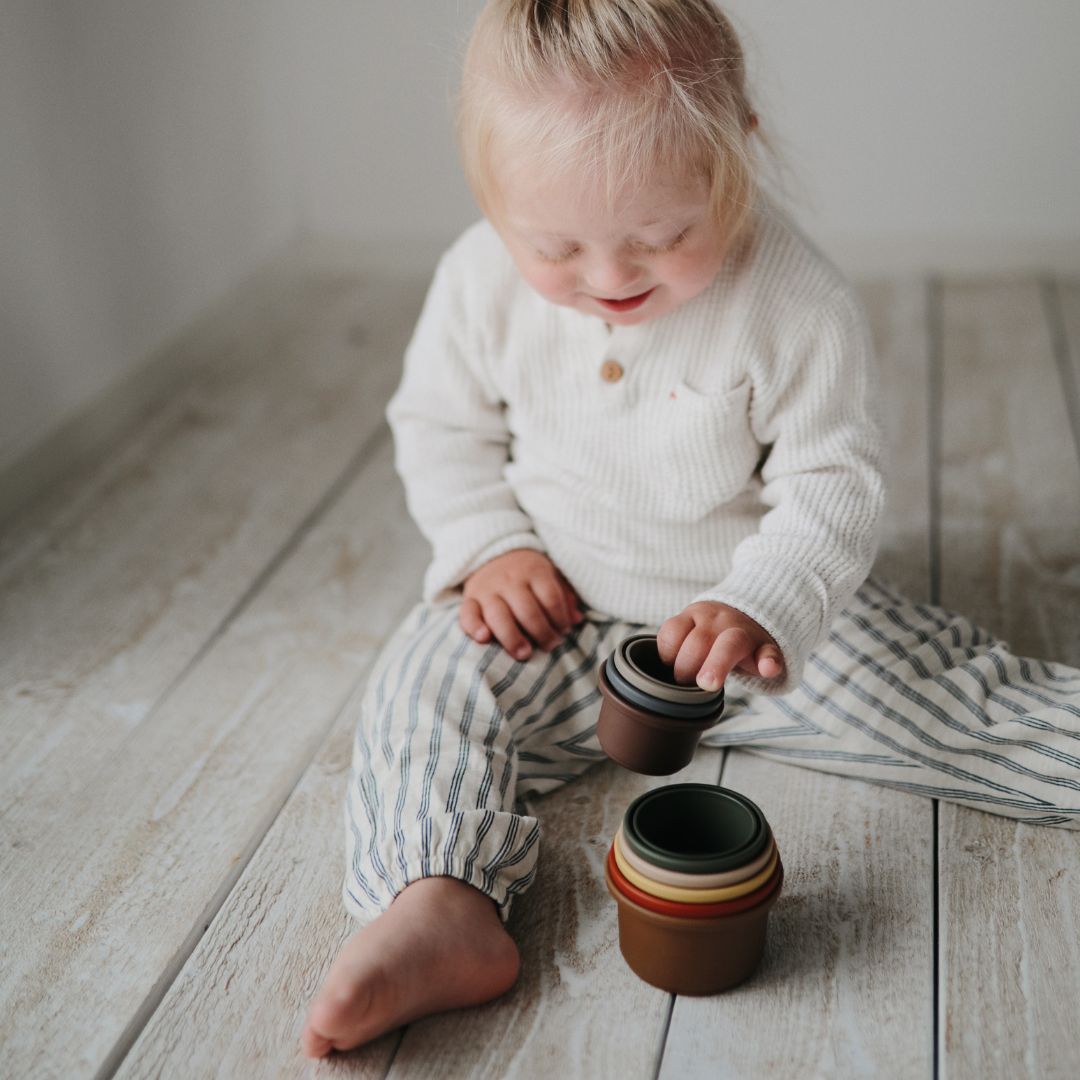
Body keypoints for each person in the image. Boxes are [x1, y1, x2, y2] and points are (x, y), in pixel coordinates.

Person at [301, 0, 1079, 1057]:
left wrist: (768, 600)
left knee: (938, 703)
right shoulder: (479, 280)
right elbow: (440, 429)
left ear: (737, 155)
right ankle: (436, 902)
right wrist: (493, 547)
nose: (613, 278)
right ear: (493, 201)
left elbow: (831, 487)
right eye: (557, 246)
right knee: (425, 696)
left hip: (751, 625)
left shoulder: (794, 302)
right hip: (560, 609)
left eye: (663, 237)